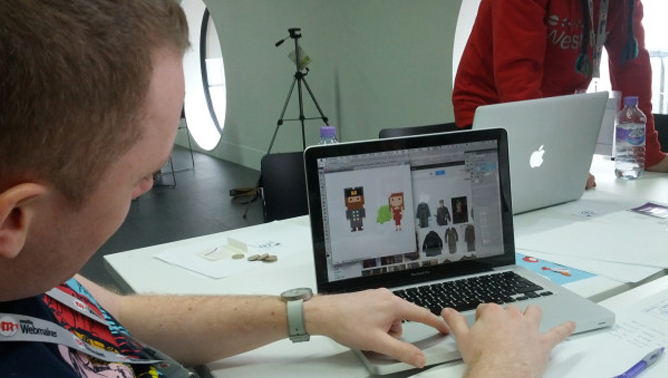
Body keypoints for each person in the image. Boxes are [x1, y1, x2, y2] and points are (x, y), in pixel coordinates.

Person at [0, 1, 574, 377]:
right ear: (15, 220)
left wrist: (308, 316)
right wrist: (500, 369)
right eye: (138, 178)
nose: (152, 185)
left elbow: (116, 311)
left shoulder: (28, 275)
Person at [453, 0, 668, 187]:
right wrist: (554, 164)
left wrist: (645, 153)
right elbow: (518, 76)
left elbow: (631, 64)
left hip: (551, 119)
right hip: (489, 113)